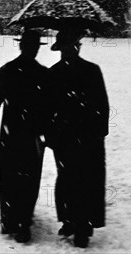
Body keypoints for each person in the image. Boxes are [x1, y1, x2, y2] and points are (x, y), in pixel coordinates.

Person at [0, 29, 50, 243]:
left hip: (11, 134)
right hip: (32, 134)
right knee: (29, 178)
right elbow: (49, 107)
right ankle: (24, 223)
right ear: (35, 48)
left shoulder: (7, 70)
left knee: (8, 176)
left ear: (20, 45)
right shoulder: (42, 73)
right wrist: (46, 133)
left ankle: (9, 219)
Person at [46, 30, 109, 249]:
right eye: (70, 46)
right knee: (78, 180)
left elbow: (101, 105)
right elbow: (49, 108)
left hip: (76, 136)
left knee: (72, 179)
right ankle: (75, 221)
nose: (72, 50)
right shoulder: (64, 73)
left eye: (73, 46)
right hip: (75, 136)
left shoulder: (81, 71)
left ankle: (78, 223)